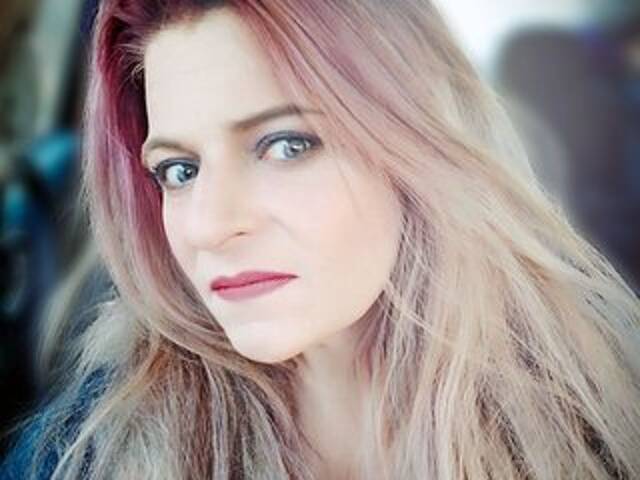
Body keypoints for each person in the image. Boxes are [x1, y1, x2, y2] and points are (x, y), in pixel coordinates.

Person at [2, 1, 640, 479]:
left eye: (287, 145)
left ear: (419, 144)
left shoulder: (601, 420)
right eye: (180, 170)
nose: (209, 227)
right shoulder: (84, 453)